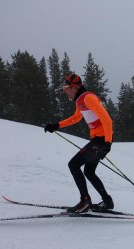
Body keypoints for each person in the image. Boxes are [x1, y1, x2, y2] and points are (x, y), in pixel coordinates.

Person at [44, 73, 114, 213]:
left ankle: (85, 201)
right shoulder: (80, 101)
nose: (65, 91)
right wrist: (56, 125)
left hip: (101, 140)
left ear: (74, 87)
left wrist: (107, 144)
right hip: (97, 140)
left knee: (73, 164)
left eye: (66, 87)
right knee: (89, 171)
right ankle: (107, 201)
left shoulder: (89, 98)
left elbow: (107, 120)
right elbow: (76, 118)